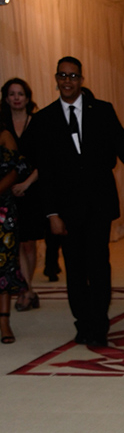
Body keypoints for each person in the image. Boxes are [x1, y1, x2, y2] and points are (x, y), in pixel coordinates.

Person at [22, 56, 124, 347]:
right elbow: (47, 172)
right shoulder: (45, 119)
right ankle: (83, 323)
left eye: (73, 76)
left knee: (99, 266)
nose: (68, 81)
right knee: (75, 269)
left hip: (99, 205)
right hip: (65, 211)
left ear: (81, 79)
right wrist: (52, 213)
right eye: (63, 76)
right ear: (56, 79)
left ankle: (100, 326)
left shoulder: (102, 111)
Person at [0, 78, 43, 310]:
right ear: (6, 98)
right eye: (12, 94)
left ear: (27, 97)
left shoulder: (36, 123)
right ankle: (26, 290)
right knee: (13, 245)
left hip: (31, 189)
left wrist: (26, 184)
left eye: (20, 94)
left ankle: (28, 288)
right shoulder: (3, 125)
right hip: (7, 194)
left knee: (28, 243)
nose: (16, 98)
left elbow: (43, 160)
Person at [0, 119, 29, 343]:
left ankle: (4, 322)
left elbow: (19, 167)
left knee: (3, 264)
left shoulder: (4, 135)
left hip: (1, 206)